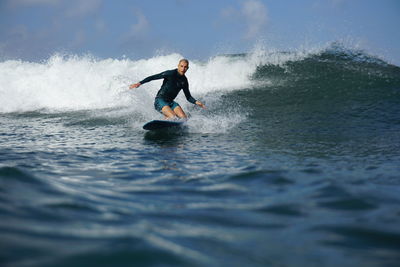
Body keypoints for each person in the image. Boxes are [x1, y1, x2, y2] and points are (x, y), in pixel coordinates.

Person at [129, 59, 206, 119]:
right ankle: (164, 121)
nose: (183, 69)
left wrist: (196, 102)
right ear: (178, 66)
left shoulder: (184, 81)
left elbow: (188, 97)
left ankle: (167, 121)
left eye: (185, 67)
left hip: (171, 102)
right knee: (173, 117)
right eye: (181, 66)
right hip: (160, 100)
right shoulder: (170, 74)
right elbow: (153, 77)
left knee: (184, 118)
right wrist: (139, 83)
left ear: (187, 68)